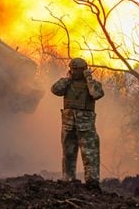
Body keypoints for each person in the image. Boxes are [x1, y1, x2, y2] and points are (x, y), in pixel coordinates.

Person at [51, 57, 104, 189]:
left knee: (90, 155)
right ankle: (68, 179)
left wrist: (88, 79)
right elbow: (55, 90)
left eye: (77, 70)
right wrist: (68, 79)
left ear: (84, 70)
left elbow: (96, 94)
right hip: (68, 125)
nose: (74, 72)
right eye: (72, 69)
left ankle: (92, 182)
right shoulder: (66, 83)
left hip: (86, 126)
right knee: (68, 153)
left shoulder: (93, 84)